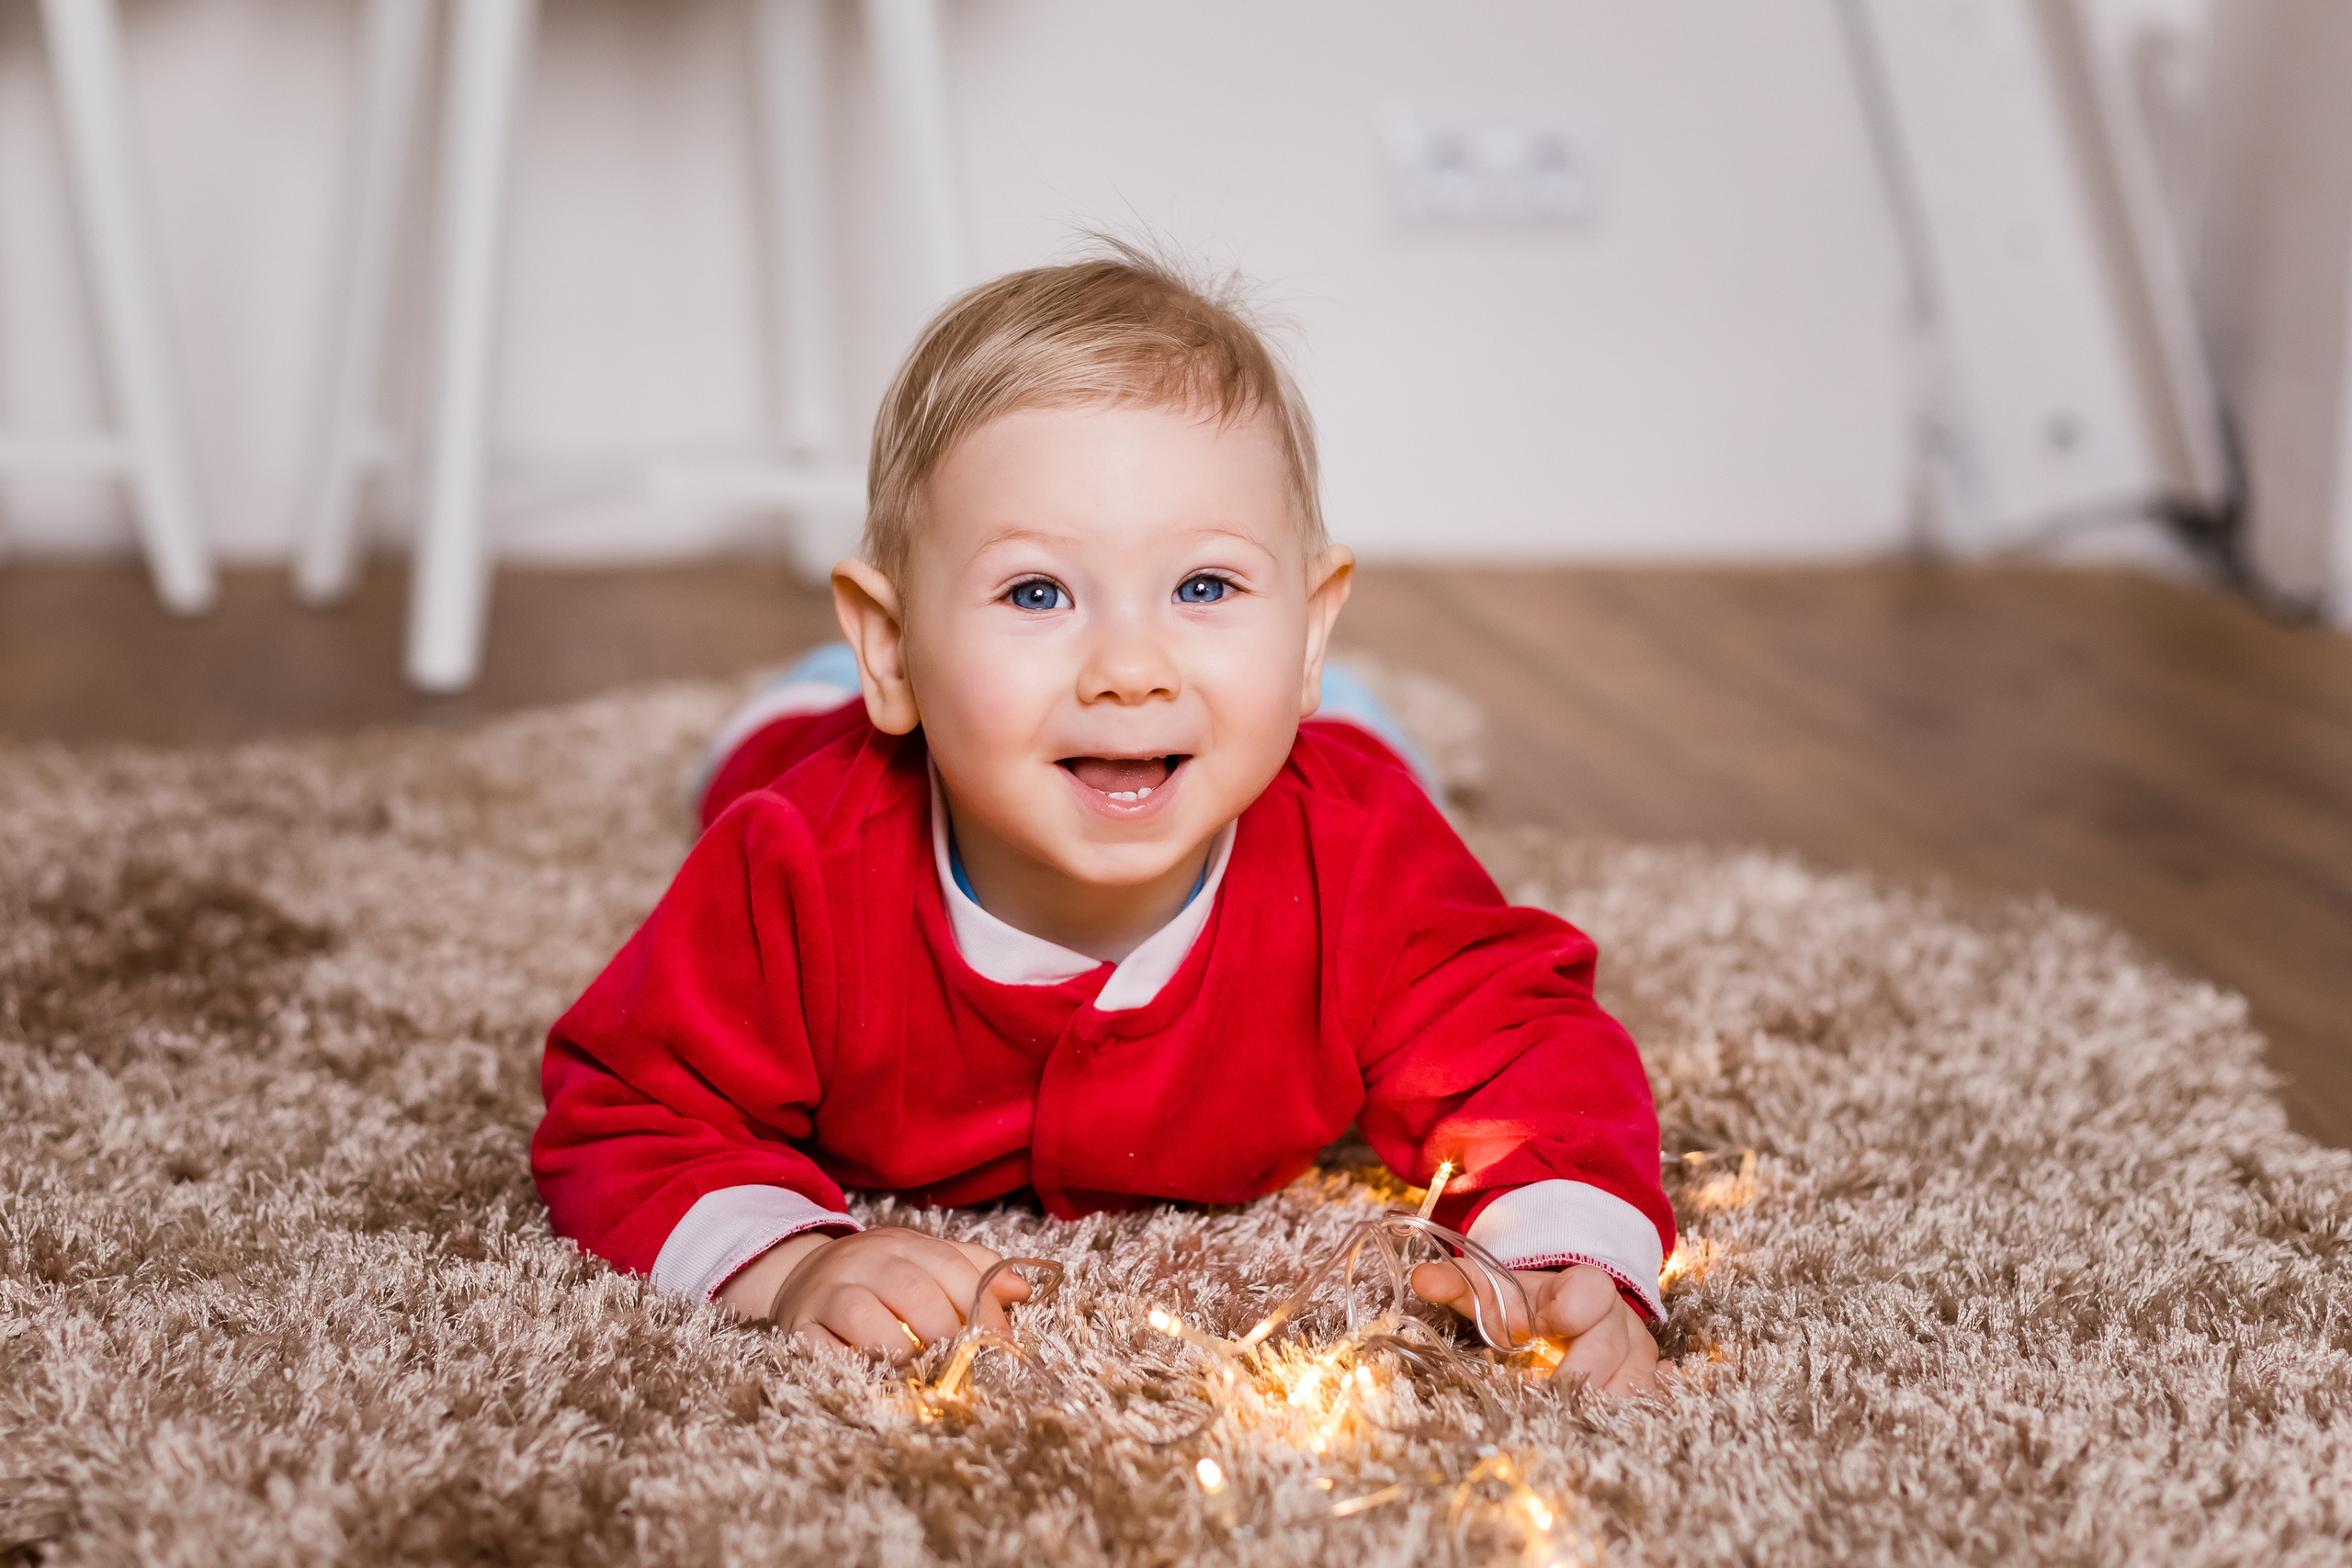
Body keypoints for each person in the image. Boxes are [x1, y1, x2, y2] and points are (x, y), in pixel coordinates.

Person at [531, 246, 1673, 1395]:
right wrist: (785, 1269)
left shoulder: (1361, 857)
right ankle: (833, 681)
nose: (1130, 666)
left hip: (1297, 746)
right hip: (856, 740)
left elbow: (1530, 1049)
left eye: (1204, 587)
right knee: (765, 757)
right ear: (894, 645)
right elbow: (629, 1108)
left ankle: (1322, 694)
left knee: (1358, 762)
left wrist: (1565, 1252)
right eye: (1038, 592)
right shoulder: (795, 867)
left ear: (1312, 625)